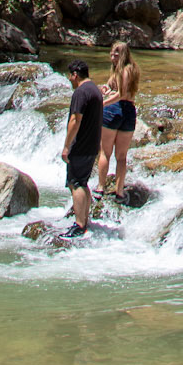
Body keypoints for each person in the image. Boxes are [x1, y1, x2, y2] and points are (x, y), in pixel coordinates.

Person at [60, 58, 104, 237]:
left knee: (75, 183)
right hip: (92, 144)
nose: (69, 80)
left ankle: (79, 225)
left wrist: (66, 146)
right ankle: (85, 222)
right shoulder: (95, 90)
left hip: (80, 145)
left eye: (70, 76)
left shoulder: (80, 92)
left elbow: (75, 120)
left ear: (75, 75)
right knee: (83, 182)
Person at [97, 41, 141, 196]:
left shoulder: (125, 70)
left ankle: (100, 187)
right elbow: (120, 90)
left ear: (123, 54)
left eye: (116, 54)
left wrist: (103, 103)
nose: (112, 56)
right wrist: (107, 88)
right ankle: (119, 191)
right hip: (129, 112)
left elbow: (121, 94)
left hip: (114, 110)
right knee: (121, 156)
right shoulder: (129, 69)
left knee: (105, 153)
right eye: (112, 53)